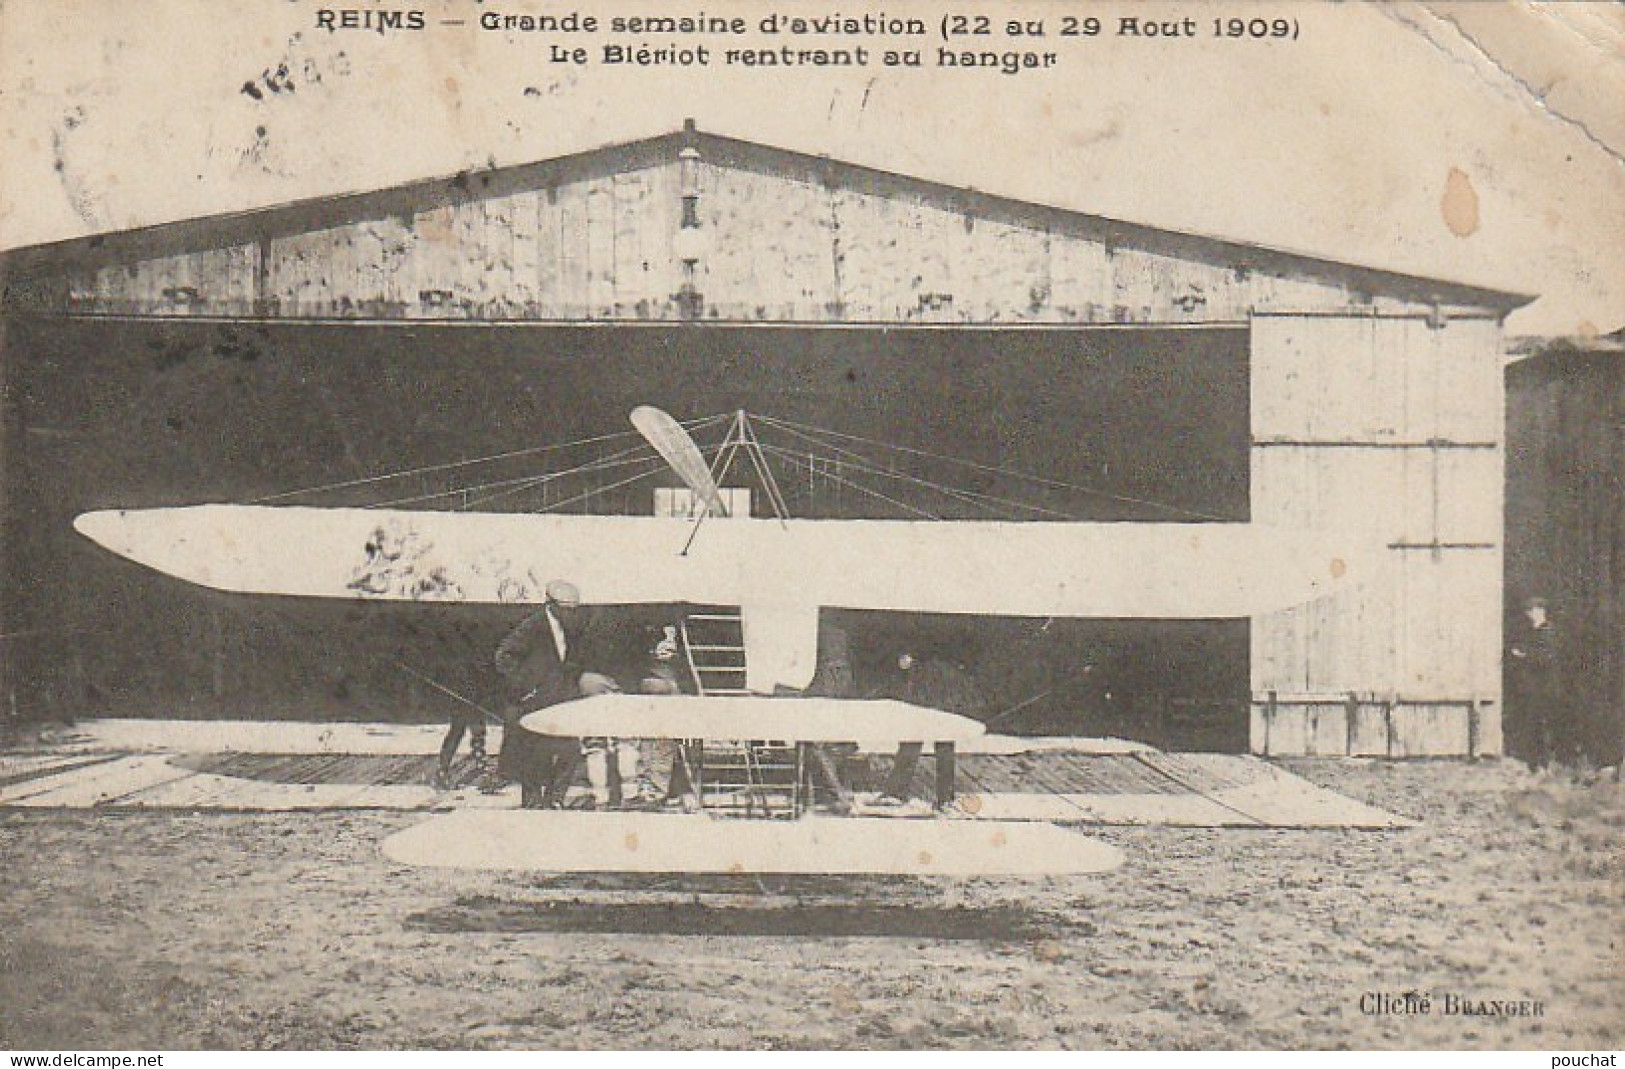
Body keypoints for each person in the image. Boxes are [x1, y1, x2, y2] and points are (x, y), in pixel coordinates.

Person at [494, 579, 586, 808]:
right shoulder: (532, 627)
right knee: (534, 753)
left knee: (570, 750)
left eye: (573, 610)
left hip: (562, 699)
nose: (571, 614)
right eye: (566, 609)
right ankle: (533, 802)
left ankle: (555, 798)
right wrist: (525, 688)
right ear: (551, 605)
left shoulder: (572, 626)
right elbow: (503, 656)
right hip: (536, 702)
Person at [871, 650, 988, 805]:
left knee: (941, 738)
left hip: (944, 672)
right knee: (914, 735)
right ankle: (898, 792)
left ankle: (944, 797)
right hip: (924, 671)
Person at [434, 702, 488, 790]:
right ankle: (442, 770)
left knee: (477, 727)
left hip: (475, 696)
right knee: (458, 728)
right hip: (462, 696)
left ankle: (480, 766)